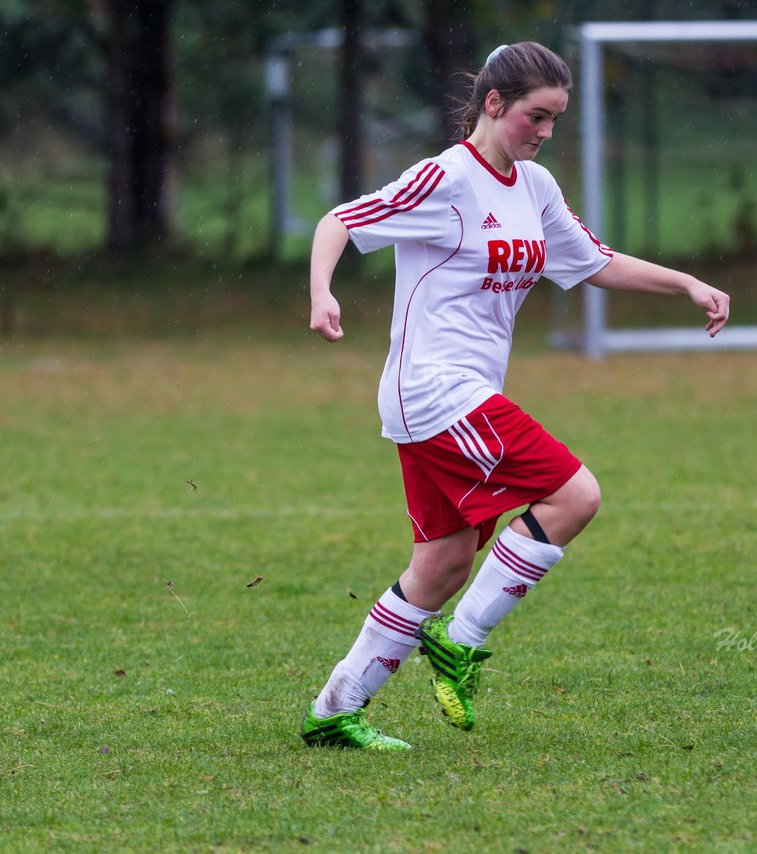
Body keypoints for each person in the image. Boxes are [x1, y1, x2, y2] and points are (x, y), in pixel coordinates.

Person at [301, 41, 729, 749]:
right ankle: (462, 644)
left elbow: (594, 261)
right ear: (494, 105)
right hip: (435, 391)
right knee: (574, 495)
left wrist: (684, 282)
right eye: (536, 116)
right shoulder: (445, 179)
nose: (545, 132)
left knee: (441, 565)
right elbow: (339, 221)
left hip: (459, 395)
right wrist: (322, 292)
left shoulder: (534, 188)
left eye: (556, 120)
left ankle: (334, 711)